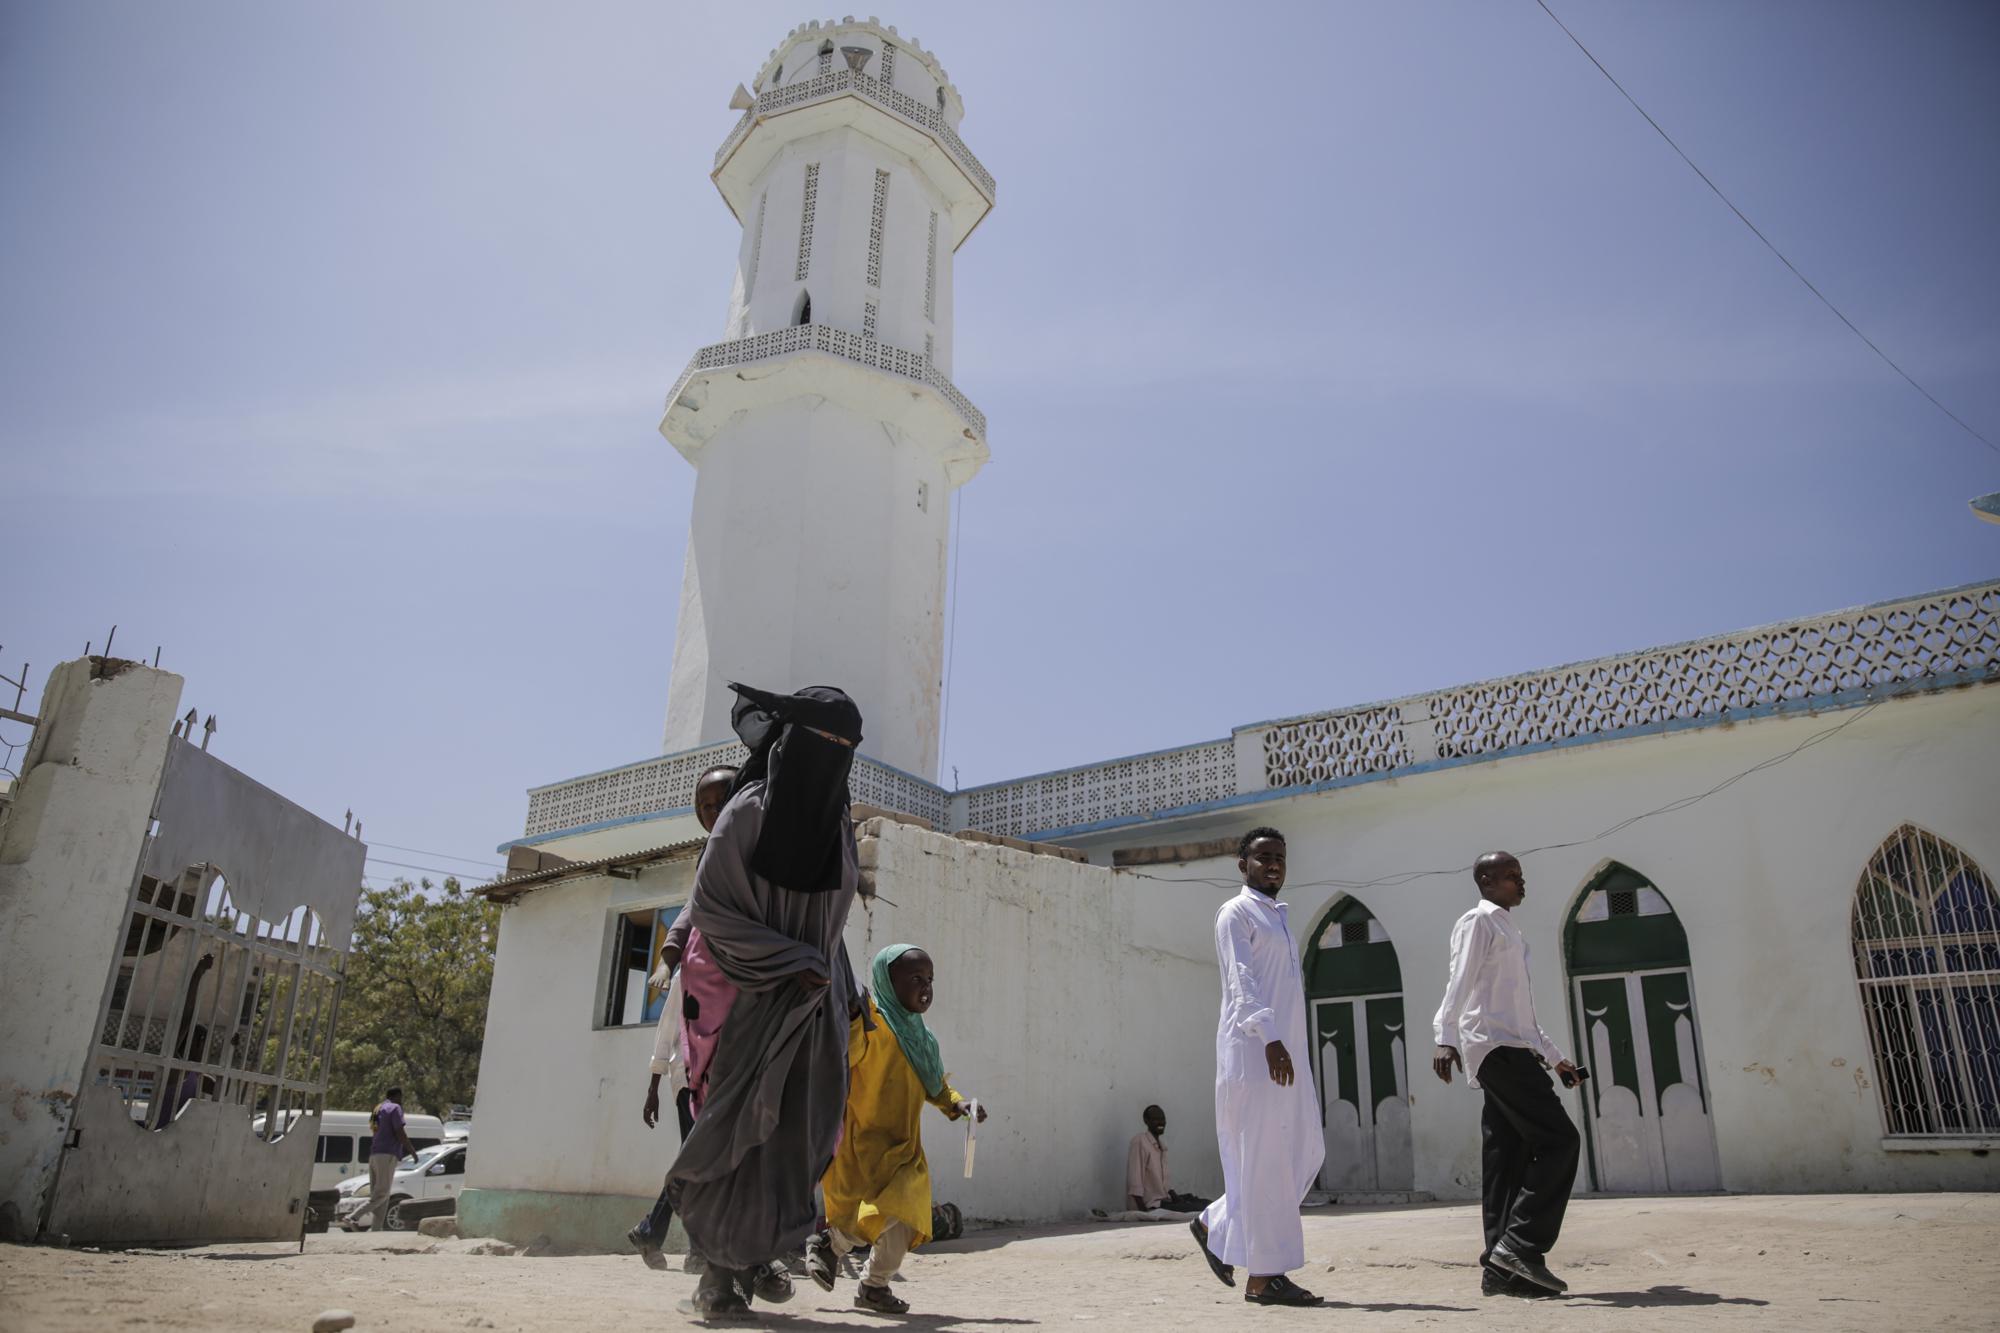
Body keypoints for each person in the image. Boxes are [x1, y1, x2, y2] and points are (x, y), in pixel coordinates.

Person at [661, 684, 868, 1317]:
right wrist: (788, 959)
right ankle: (717, 1277)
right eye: (822, 743)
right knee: (737, 1134)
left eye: (845, 748)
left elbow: (831, 924)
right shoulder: (747, 813)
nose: (831, 758)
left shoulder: (835, 823)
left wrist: (827, 976)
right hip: (748, 1004)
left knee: (796, 1139)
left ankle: (753, 1260)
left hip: (811, 1012)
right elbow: (714, 913)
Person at [1431, 851, 1581, 1298]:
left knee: (1506, 1158)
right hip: (1496, 1050)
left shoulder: (1510, 929)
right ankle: (1521, 1245)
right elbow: (1458, 981)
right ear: (1486, 880)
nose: (1521, 881)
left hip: (1511, 1045)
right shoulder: (1479, 921)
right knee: (1560, 1140)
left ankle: (1501, 1271)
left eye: (1520, 874)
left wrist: (1556, 1058)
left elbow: (1522, 1016)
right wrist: (1445, 1035)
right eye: (1511, 875)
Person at [807, 944, 987, 1315]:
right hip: (860, 1146)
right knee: (886, 1209)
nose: (926, 988)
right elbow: (842, 1056)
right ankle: (832, 1244)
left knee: (904, 1216)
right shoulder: (869, 1023)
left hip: (903, 1149)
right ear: (888, 983)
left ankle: (873, 1285)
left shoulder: (924, 1040)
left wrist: (959, 1104)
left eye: (930, 980)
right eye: (916, 979)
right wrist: (853, 1017)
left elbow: (935, 1088)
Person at [628, 765, 755, 1281]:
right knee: (704, 1157)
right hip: (695, 1069)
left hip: (735, 1038)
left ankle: (670, 1236)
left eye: (718, 802)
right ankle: (696, 1249)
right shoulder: (709, 870)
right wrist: (670, 956)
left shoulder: (750, 852)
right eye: (702, 806)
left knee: (706, 1155)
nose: (711, 814)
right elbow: (672, 1020)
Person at [1190, 828, 1326, 1307]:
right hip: (1255, 1055)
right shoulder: (1236, 913)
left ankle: (1215, 1222)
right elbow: (1241, 981)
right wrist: (1270, 1039)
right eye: (1263, 857)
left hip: (1286, 1056)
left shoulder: (1278, 918)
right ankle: (1265, 1277)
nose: (1273, 865)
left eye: (1280, 858)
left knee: (1304, 1152)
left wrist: (1284, 1044)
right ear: (1241, 863)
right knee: (1267, 1162)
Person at [1127, 1105, 1210, 1214]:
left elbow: (1164, 1185)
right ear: (1146, 1121)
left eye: (1162, 1119)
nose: (1160, 1122)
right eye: (1155, 1119)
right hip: (1152, 1205)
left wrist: (1177, 1198)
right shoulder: (1140, 1142)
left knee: (1206, 1203)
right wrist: (1145, 1212)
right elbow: (1135, 1180)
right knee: (1201, 1208)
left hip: (1165, 1199)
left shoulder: (1162, 1146)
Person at [357, 1086, 417, 1231]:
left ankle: (376, 1228)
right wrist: (412, 1151)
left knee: (381, 1195)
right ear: (398, 1096)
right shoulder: (395, 1108)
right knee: (382, 1193)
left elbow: (374, 1129)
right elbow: (400, 1132)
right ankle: (353, 1216)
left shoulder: (377, 1108)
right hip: (387, 1154)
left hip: (374, 1154)